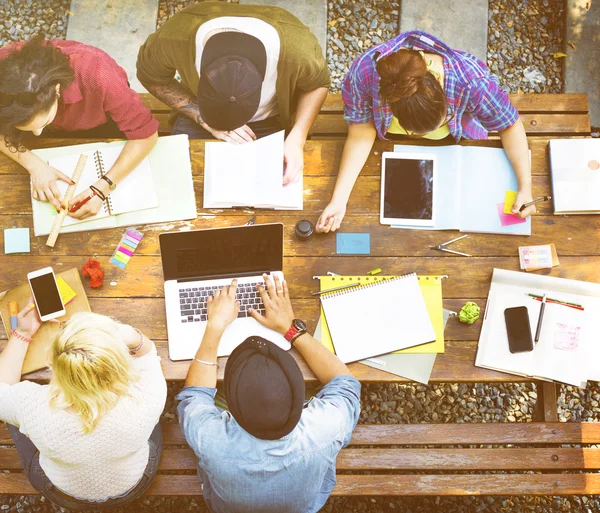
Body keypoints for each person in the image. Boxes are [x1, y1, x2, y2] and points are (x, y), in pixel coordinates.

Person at [316, 30, 535, 233]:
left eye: (444, 119)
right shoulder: (364, 73)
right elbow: (361, 132)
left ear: (438, 82)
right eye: (413, 132)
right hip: (389, 149)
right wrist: (339, 200)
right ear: (390, 105)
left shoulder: (470, 81)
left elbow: (509, 124)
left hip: (458, 144)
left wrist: (525, 187)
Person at [177, 274, 361, 513]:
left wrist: (215, 326)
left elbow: (194, 397)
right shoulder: (325, 427)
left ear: (231, 405)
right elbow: (345, 384)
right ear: (298, 398)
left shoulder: (210, 439)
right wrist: (291, 329)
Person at [137, 1, 330, 185]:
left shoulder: (297, 51)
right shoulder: (175, 37)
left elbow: (317, 84)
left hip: (270, 120)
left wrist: (297, 137)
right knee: (176, 183)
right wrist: (203, 118)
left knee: (278, 185)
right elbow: (151, 76)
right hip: (201, 115)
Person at [0, 307, 167, 511]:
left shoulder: (31, 404)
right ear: (120, 364)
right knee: (154, 422)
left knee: (15, 419)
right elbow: (148, 354)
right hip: (134, 484)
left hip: (61, 491)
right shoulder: (146, 397)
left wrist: (21, 333)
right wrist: (132, 335)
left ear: (55, 364)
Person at [0, 37, 159, 219]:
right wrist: (33, 164)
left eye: (43, 123)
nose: (38, 134)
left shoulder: (100, 75)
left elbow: (146, 134)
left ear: (57, 89)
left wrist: (103, 188)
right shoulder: (3, 73)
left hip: (100, 123)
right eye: (31, 128)